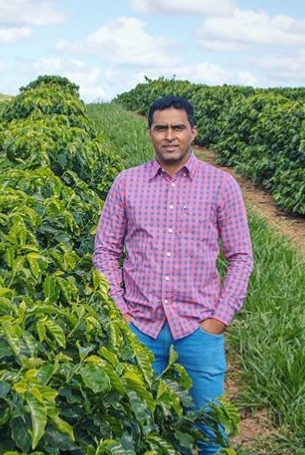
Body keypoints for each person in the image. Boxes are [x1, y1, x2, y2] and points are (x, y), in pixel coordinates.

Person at [93, 95, 253, 454]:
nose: (169, 136)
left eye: (178, 127)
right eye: (161, 127)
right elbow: (105, 250)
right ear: (149, 133)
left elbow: (241, 257)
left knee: (209, 433)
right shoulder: (126, 183)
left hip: (199, 329)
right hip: (140, 328)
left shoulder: (221, 185)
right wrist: (119, 309)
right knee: (141, 431)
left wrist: (220, 318)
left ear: (193, 132)